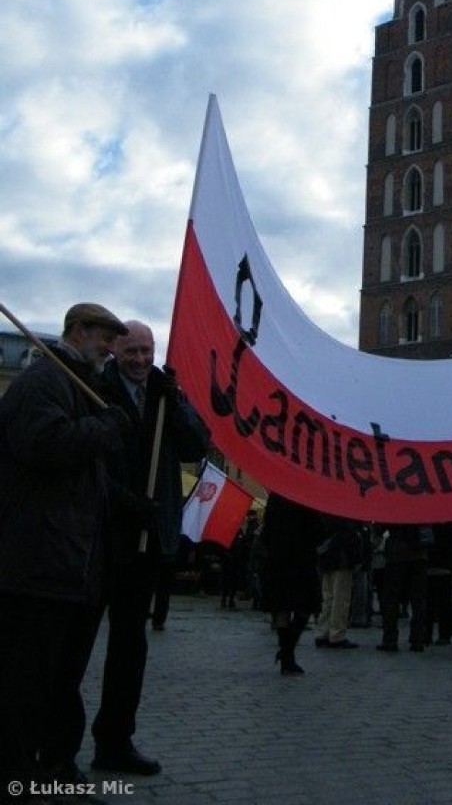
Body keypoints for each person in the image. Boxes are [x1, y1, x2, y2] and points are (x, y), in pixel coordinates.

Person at [0, 302, 130, 801]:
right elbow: (42, 444)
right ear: (78, 330)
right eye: (105, 335)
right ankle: (19, 769)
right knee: (27, 676)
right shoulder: (43, 382)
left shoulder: (79, 384)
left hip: (69, 563)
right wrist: (105, 429)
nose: (111, 346)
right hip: (36, 560)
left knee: (60, 675)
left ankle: (55, 764)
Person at [91, 320, 209, 776]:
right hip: (101, 535)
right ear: (114, 350)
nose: (140, 360)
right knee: (76, 645)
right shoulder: (97, 388)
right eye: (131, 351)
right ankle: (55, 746)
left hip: (145, 542)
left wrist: (174, 398)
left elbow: (196, 446)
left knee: (129, 647)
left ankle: (116, 740)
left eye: (147, 350)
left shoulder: (162, 395)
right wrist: (125, 504)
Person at [261, 494, 325, 675]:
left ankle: (286, 653)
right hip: (301, 560)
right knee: (305, 607)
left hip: (278, 558)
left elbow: (267, 528)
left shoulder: (276, 496)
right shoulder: (305, 496)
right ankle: (287, 652)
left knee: (282, 607)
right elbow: (318, 530)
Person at [377, 525, 429, 653]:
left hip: (396, 556)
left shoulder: (393, 506)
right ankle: (417, 639)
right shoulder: (423, 506)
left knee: (391, 599)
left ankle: (390, 639)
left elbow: (379, 528)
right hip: (418, 555)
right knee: (418, 600)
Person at [314, 516, 363, 649]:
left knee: (327, 597)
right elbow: (349, 534)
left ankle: (323, 632)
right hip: (342, 559)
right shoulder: (345, 513)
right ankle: (337, 634)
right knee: (341, 598)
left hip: (326, 558)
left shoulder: (323, 510)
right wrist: (356, 558)